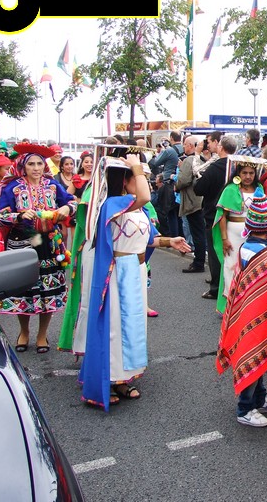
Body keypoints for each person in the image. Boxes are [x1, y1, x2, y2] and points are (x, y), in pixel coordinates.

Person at [71, 152, 191, 409]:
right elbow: (145, 196)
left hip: (136, 271)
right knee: (114, 328)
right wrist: (135, 164)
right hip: (116, 274)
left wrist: (170, 241)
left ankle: (124, 378)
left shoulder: (139, 210)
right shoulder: (111, 205)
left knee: (132, 327)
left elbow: (148, 239)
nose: (143, 181)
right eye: (138, 177)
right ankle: (108, 379)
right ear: (125, 181)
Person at [0, 143, 77, 354]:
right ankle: (24, 331)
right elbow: (0, 214)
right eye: (31, 164)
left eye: (40, 163)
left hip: (48, 244)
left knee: (48, 289)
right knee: (23, 289)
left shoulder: (52, 185)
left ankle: (42, 334)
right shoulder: (13, 188)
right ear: (23, 166)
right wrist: (19, 215)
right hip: (21, 243)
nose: (36, 168)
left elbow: (72, 202)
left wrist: (66, 208)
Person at [216, 190, 267, 427]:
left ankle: (259, 398)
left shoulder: (245, 247)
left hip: (247, 315)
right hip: (257, 316)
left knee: (258, 355)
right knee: (254, 354)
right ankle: (245, 408)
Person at [212, 157, 263, 314]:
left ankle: (249, 303)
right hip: (233, 234)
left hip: (254, 235)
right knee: (231, 266)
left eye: (251, 173)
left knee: (252, 267)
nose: (248, 176)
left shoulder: (259, 188)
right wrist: (224, 239)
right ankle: (231, 305)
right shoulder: (230, 189)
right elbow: (222, 216)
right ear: (238, 173)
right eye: (244, 173)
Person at [194, 134, 235, 300]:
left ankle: (216, 287)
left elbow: (199, 189)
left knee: (215, 252)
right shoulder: (237, 166)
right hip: (235, 215)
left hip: (214, 214)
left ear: (221, 147)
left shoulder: (215, 167)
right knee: (232, 252)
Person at [176, 136, 206, 274]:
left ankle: (198, 262)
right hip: (202, 201)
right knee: (201, 232)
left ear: (190, 145)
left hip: (192, 201)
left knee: (197, 233)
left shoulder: (189, 160)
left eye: (185, 144)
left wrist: (176, 185)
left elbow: (183, 180)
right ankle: (200, 260)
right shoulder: (203, 159)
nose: (183, 147)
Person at [148, 132, 180, 236]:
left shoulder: (169, 150)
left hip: (168, 182)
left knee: (168, 212)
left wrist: (162, 151)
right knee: (178, 215)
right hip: (178, 182)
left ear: (171, 138)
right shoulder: (181, 149)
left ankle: (172, 236)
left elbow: (156, 162)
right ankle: (179, 235)